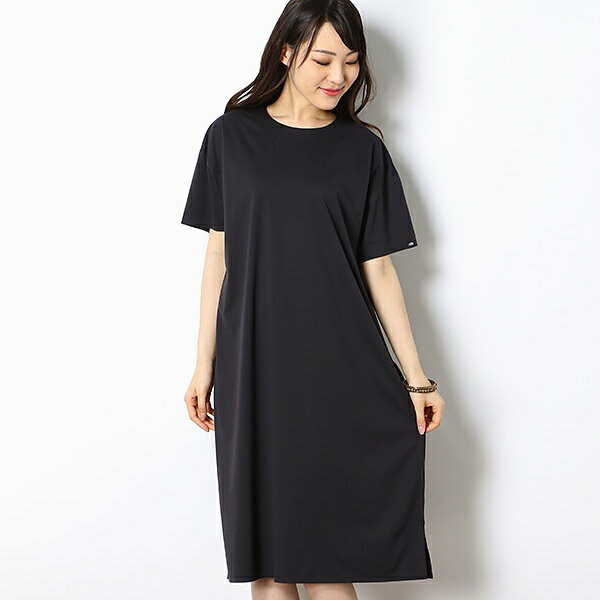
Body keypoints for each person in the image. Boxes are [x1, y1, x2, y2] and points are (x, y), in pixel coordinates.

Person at [181, 1, 445, 598]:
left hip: (336, 372)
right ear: (285, 51)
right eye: (323, 59)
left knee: (325, 563)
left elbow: (379, 269)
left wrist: (417, 379)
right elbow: (217, 257)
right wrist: (203, 366)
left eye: (351, 62)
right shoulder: (230, 137)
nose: (339, 76)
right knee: (267, 565)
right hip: (252, 370)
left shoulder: (362, 150)